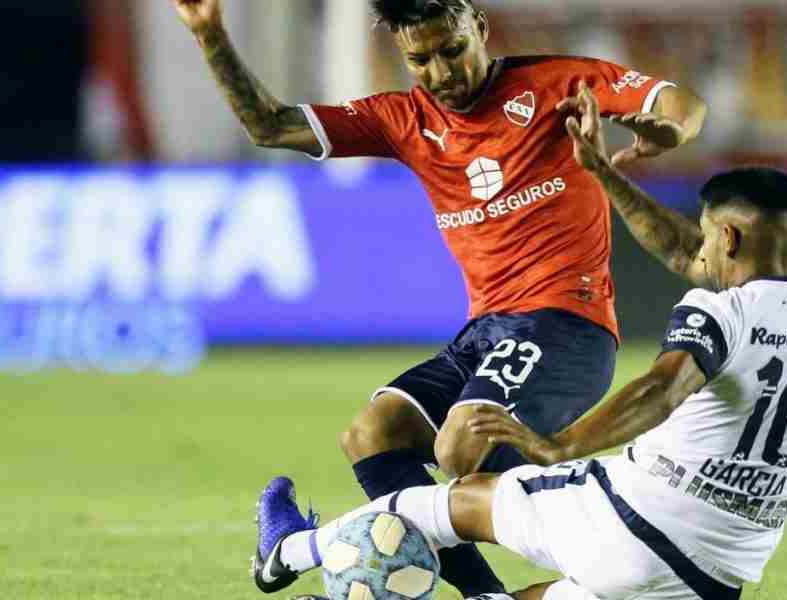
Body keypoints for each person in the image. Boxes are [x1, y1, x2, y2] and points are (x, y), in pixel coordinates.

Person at [171, 0, 707, 595]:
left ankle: (621, 525)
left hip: (566, 326)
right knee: (373, 434)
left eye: (452, 50)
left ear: (478, 25)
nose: (442, 73)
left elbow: (683, 108)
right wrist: (211, 35)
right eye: (419, 59)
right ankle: (483, 594)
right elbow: (269, 125)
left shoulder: (558, 81)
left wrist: (657, 132)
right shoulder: (401, 118)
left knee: (463, 444)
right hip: (483, 333)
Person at [253, 85, 787, 600]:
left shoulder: (722, 311)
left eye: (710, 239)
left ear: (729, 236)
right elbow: (683, 249)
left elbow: (661, 389)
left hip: (633, 520)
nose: (701, 251)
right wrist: (604, 174)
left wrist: (555, 446)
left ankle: (289, 550)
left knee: (449, 502)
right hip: (713, 574)